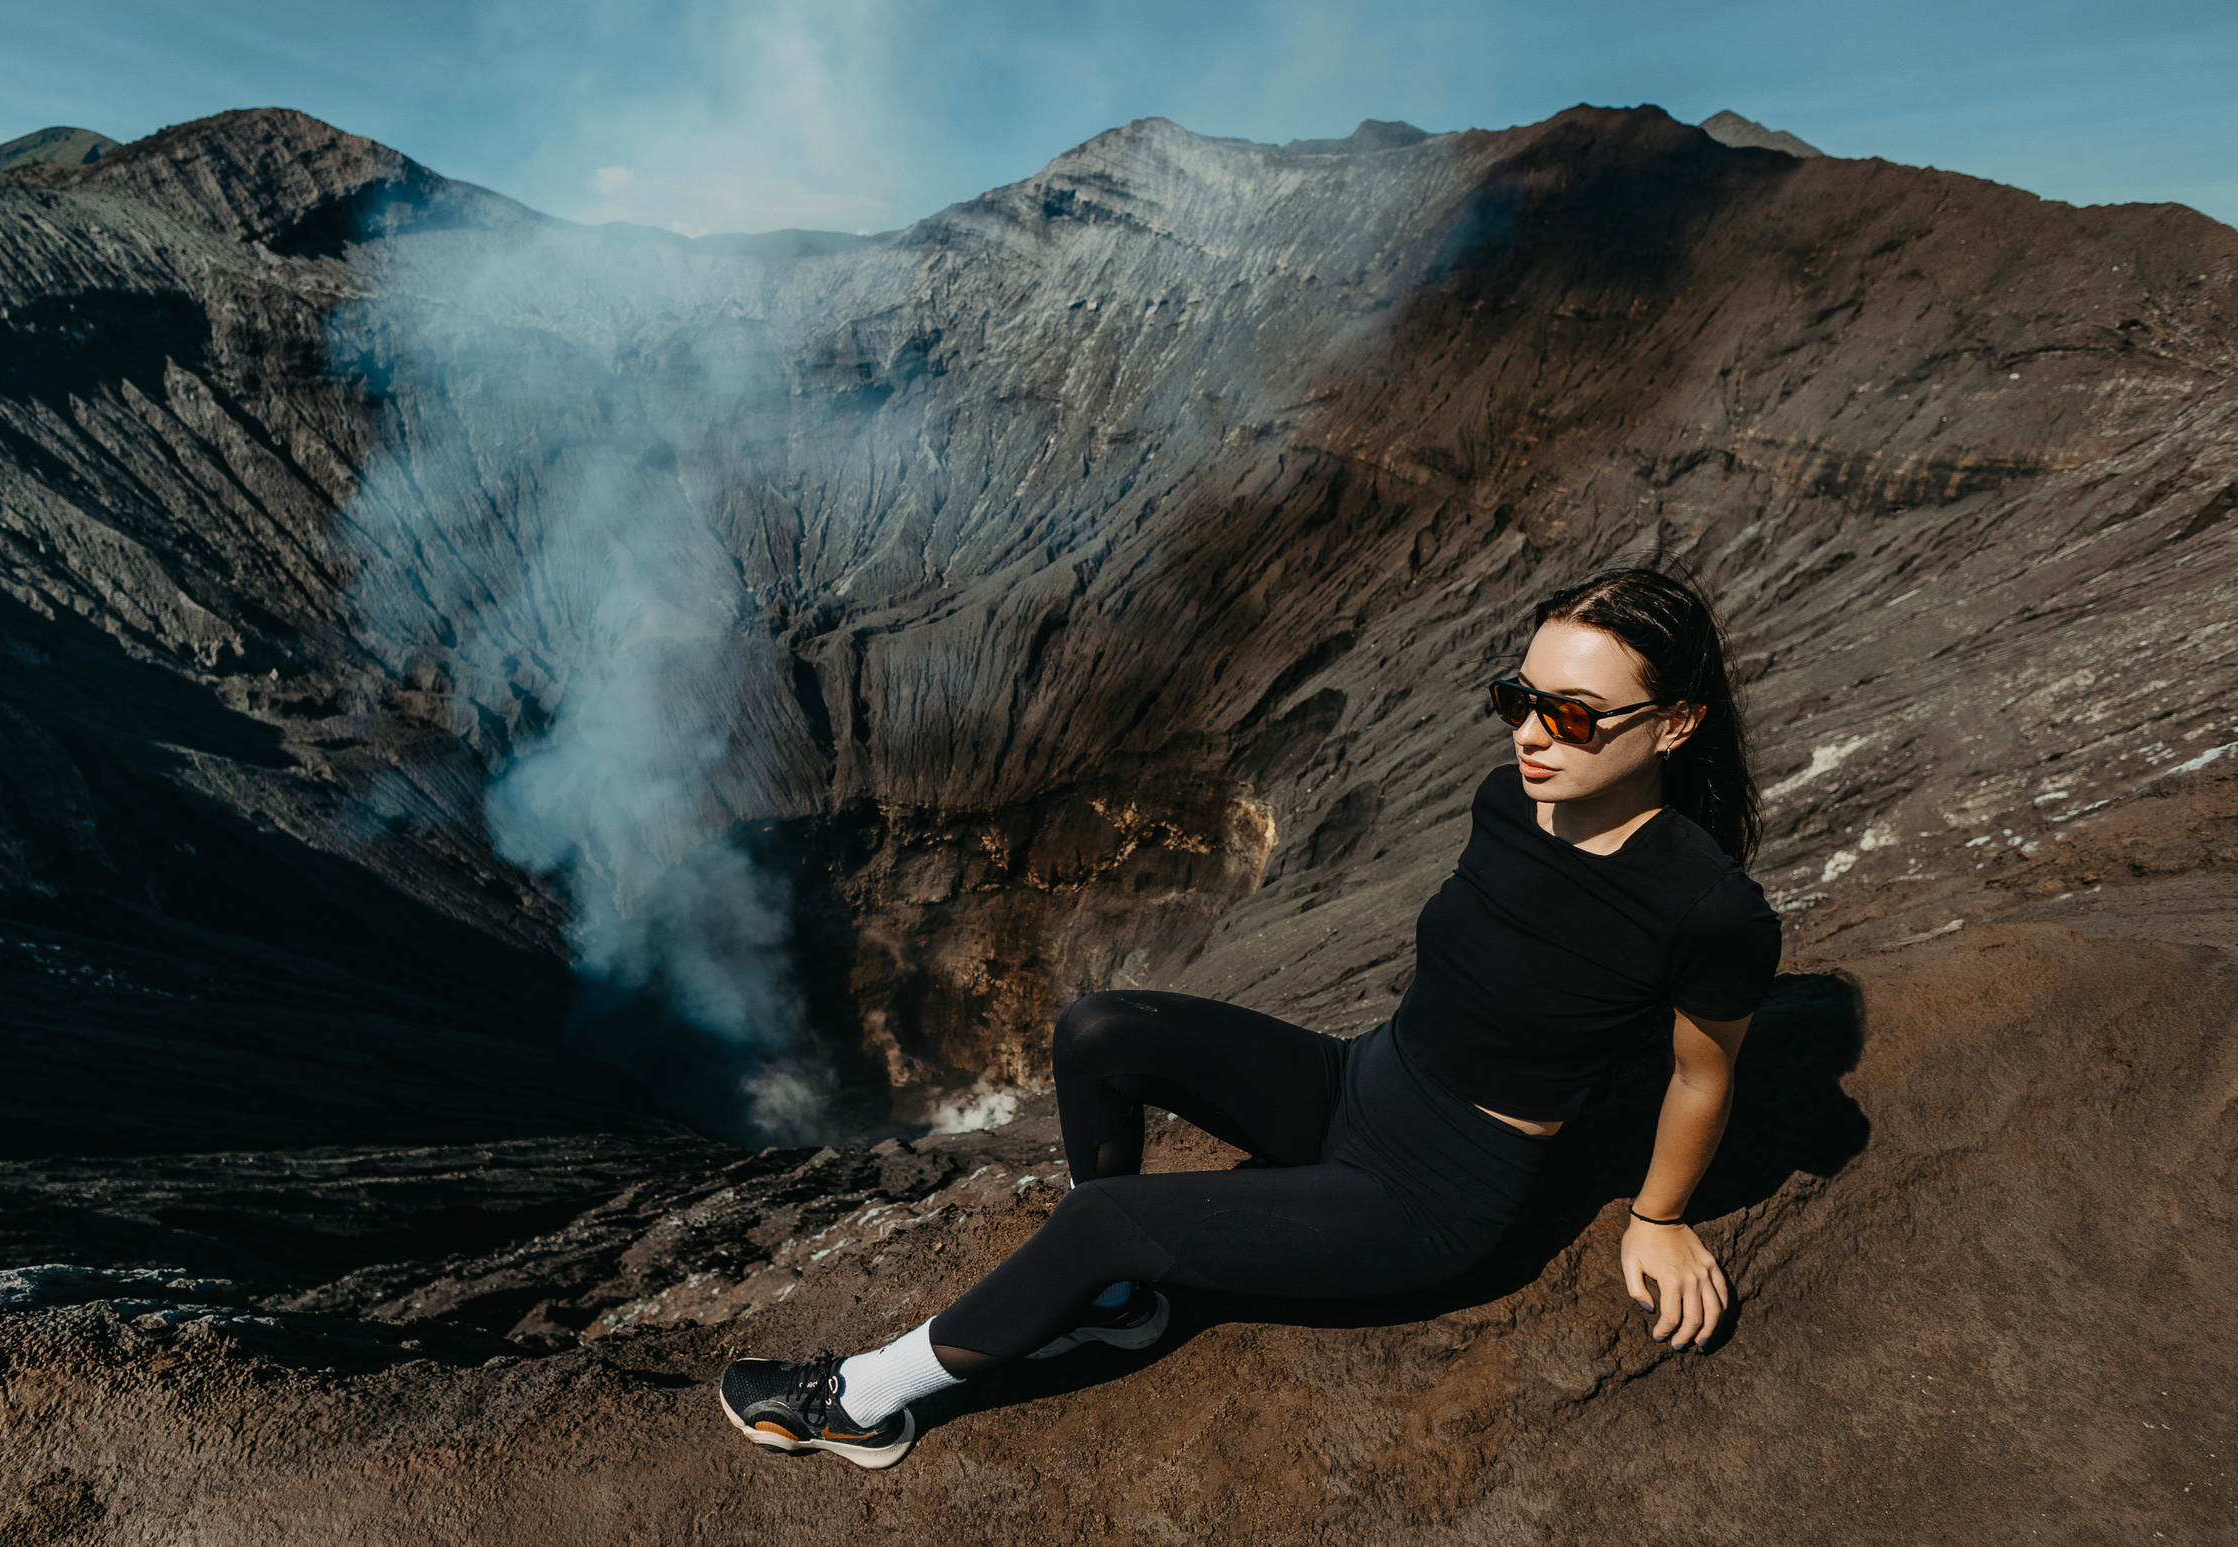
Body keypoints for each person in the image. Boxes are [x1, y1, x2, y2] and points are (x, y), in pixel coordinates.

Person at [718, 567, 1781, 1469]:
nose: (1532, 735)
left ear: (1676, 723)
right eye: (1519, 697)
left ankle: (858, 1404)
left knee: (1101, 1220)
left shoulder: (1705, 908)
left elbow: (1702, 1075)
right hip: (1360, 1083)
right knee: (1096, 1029)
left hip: (1432, 1195)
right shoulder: (1515, 800)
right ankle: (1112, 1302)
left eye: (1574, 714)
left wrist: (1658, 1217)